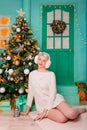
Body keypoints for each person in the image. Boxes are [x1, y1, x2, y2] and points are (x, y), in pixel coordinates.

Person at [20, 52, 87, 123]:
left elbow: (52, 93)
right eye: (40, 59)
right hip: (43, 105)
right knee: (62, 119)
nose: (41, 62)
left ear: (47, 63)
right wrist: (27, 110)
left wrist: (45, 111)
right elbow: (31, 92)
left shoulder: (51, 74)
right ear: (37, 60)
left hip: (54, 99)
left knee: (71, 114)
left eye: (44, 60)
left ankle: (78, 110)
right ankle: (63, 110)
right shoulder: (32, 74)